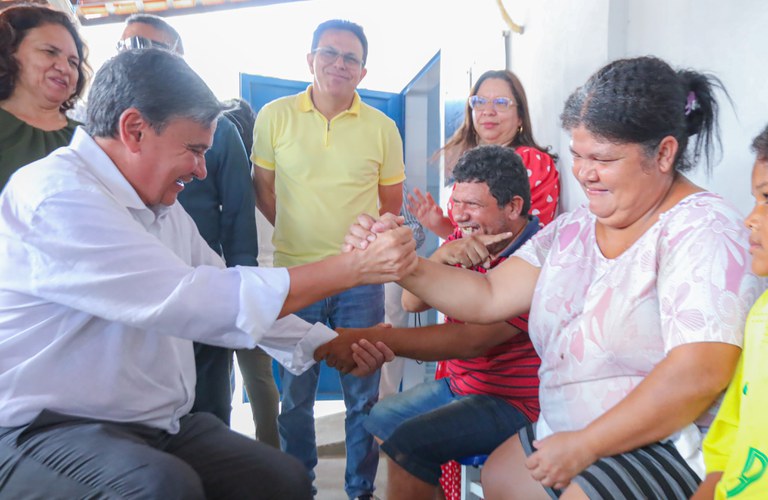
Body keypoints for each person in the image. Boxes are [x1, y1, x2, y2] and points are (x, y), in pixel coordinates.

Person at [0, 48, 414, 499]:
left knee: (281, 479)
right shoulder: (57, 197)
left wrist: (323, 343)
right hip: (45, 429)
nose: (201, 170)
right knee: (161, 488)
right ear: (134, 130)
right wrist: (353, 267)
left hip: (154, 425)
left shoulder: (158, 208)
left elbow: (220, 281)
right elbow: (196, 299)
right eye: (194, 150)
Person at [345, 56, 763, 499]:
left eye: (602, 158)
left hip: (666, 445)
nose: (584, 172)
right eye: (578, 154)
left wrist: (588, 444)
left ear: (663, 153)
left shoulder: (704, 229)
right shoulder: (576, 227)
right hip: (568, 430)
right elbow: (487, 295)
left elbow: (698, 373)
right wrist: (403, 263)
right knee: (494, 472)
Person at [317, 145, 541, 500]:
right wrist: (441, 255)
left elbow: (469, 340)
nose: (460, 215)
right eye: (457, 202)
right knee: (381, 417)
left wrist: (372, 338)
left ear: (513, 207)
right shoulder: (463, 239)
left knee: (408, 446)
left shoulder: (535, 256)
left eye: (473, 204)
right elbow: (411, 302)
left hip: (512, 401)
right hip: (462, 384)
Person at [251, 19, 405, 499]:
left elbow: (391, 205)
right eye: (329, 53)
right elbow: (263, 189)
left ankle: (361, 492)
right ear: (310, 59)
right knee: (295, 399)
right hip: (297, 278)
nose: (339, 63)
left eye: (350, 58)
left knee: (363, 397)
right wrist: (299, 235)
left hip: (361, 281)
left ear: (363, 71)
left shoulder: (383, 128)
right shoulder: (274, 116)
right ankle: (299, 488)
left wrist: (359, 252)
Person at [117, 13, 259, 427]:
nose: (197, 169)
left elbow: (238, 217)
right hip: (134, 300)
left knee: (209, 410)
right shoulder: (98, 139)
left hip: (203, 286)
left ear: (179, 59)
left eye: (147, 47)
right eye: (126, 46)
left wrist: (241, 299)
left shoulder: (218, 132)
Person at [692, 125, 768, 500]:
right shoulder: (761, 314)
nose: (750, 218)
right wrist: (712, 484)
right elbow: (731, 427)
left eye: (767, 198)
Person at [408, 69, 559, 237]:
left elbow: (518, 239)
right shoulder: (472, 165)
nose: (488, 111)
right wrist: (437, 223)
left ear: (520, 117)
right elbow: (468, 238)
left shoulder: (531, 160)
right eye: (479, 102)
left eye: (501, 103)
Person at [224, 96, 281, 448]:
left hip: (232, 282)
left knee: (221, 374)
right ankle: (270, 450)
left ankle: (223, 445)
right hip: (267, 285)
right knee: (259, 377)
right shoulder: (270, 180)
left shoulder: (221, 177)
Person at [0, 4, 90, 189]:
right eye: (50, 52)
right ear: (8, 52)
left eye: (73, 62)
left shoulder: (89, 137)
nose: (65, 68)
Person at [379, 182, 426, 399]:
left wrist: (391, 239)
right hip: (345, 265)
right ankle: (359, 404)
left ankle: (384, 401)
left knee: (392, 331)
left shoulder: (392, 178)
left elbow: (416, 230)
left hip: (389, 266)